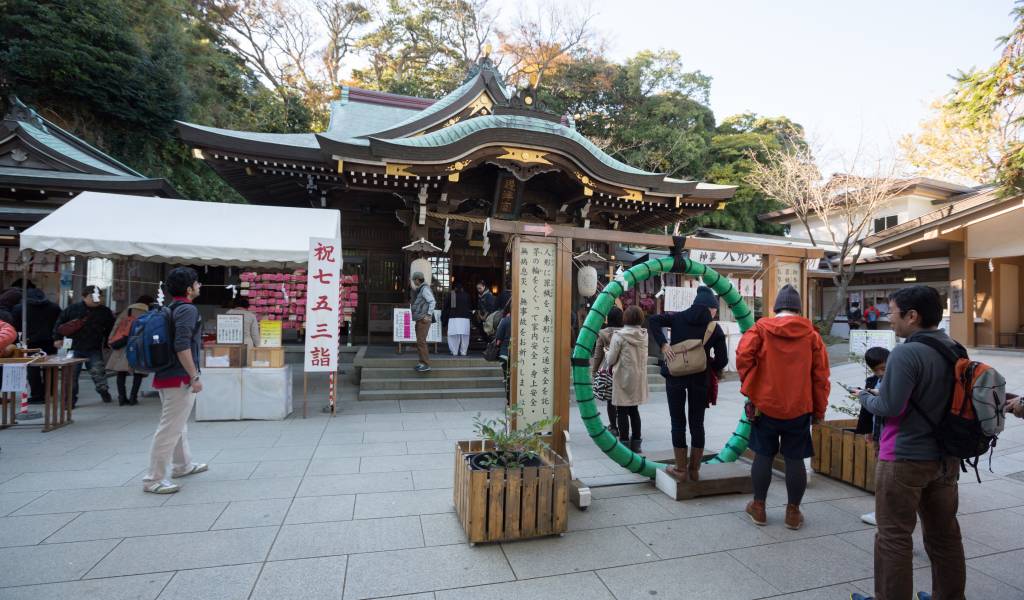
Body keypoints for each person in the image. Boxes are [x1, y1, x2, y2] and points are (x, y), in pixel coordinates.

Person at [851, 286, 967, 600]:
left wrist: (864, 396)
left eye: (892, 312)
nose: (890, 319)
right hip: (946, 459)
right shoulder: (955, 348)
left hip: (903, 459)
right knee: (944, 536)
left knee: (893, 537)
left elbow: (889, 408)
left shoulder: (906, 352)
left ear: (912, 316)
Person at [737, 284, 830, 531]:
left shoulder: (760, 330)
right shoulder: (812, 336)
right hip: (799, 407)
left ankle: (759, 507)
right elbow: (820, 377)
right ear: (799, 309)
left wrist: (752, 386)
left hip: (765, 405)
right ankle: (792, 513)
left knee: (763, 455)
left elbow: (743, 357)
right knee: (795, 459)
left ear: (776, 307)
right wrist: (819, 412)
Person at [648, 286, 728, 482]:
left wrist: (664, 344)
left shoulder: (678, 318)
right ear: (710, 308)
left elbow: (653, 320)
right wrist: (709, 364)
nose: (715, 313)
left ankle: (681, 469)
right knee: (697, 423)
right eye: (715, 309)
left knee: (678, 422)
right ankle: (694, 469)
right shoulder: (714, 328)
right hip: (700, 378)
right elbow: (723, 360)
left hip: (675, 376)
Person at [143, 267, 207, 494]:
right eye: (197, 283)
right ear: (189, 289)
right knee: (169, 428)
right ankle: (153, 479)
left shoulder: (172, 308)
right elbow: (182, 345)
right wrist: (194, 376)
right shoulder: (187, 310)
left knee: (177, 425)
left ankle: (182, 465)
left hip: (166, 375)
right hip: (179, 377)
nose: (199, 286)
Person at [53, 285, 115, 406]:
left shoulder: (105, 311)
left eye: (99, 296)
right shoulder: (72, 309)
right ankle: (69, 401)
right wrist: (57, 338)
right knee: (71, 376)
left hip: (94, 347)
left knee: (98, 374)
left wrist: (108, 344)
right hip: (73, 347)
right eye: (92, 296)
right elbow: (60, 323)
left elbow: (110, 329)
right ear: (84, 297)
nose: (96, 299)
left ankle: (104, 392)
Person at [607, 306, 648, 453]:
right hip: (638, 377)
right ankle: (636, 443)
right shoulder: (644, 335)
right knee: (634, 410)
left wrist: (607, 353)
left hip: (623, 377)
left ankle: (624, 443)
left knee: (622, 411)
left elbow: (611, 359)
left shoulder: (619, 336)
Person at [13, 287, 61, 404]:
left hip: (30, 342)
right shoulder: (54, 307)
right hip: (50, 341)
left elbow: (16, 326)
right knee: (50, 367)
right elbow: (60, 324)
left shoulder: (20, 308)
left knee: (32, 369)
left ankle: (37, 394)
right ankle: (50, 391)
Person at [106, 295, 155, 406]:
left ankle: (121, 397)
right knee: (138, 372)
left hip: (124, 342)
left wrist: (111, 339)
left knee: (121, 371)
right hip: (140, 344)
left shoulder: (128, 310)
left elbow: (117, 325)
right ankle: (133, 397)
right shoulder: (149, 312)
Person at [592, 307, 623, 435]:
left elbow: (598, 354)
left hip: (609, 371)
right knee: (623, 399)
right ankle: (624, 427)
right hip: (624, 370)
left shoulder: (603, 333)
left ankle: (614, 427)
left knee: (611, 399)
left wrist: (594, 372)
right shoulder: (627, 332)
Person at [854, 346, 889, 439]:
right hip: (877, 431)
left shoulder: (897, 381)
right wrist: (867, 430)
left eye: (883, 368)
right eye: (875, 370)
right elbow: (866, 407)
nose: (880, 373)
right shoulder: (872, 381)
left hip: (891, 432)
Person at [410, 272, 435, 373]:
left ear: (417, 280)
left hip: (423, 319)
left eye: (414, 280)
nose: (413, 282)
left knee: (421, 341)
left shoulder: (424, 289)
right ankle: (421, 363)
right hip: (420, 318)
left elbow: (432, 301)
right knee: (420, 341)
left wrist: (428, 315)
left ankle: (425, 364)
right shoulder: (422, 289)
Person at [442, 283, 472, 356]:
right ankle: (463, 351)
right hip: (465, 318)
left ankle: (454, 351)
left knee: (453, 335)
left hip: (454, 317)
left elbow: (447, 307)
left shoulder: (452, 295)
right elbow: (470, 306)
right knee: (465, 336)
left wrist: (444, 318)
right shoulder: (466, 295)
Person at [494, 304, 512, 404]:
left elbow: (498, 341)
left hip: (505, 353)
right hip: (519, 355)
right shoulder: (523, 322)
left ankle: (509, 400)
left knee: (507, 377)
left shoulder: (505, 320)